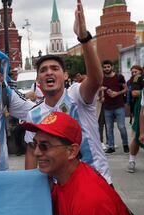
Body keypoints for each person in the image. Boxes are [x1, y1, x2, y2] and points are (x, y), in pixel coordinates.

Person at [25, 0, 112, 185]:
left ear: (65, 75)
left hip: (95, 182)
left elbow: (96, 78)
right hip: (62, 190)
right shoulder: (33, 115)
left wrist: (84, 38)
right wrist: (31, 191)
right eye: (43, 70)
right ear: (38, 81)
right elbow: (32, 154)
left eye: (54, 68)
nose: (49, 72)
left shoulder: (76, 95)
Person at [22, 112, 134, 215]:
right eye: (34, 144)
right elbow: (47, 212)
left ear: (72, 151)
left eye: (44, 146)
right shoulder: (65, 176)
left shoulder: (89, 202)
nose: (36, 153)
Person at [102, 59, 129, 154]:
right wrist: (100, 94)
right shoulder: (101, 78)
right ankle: (111, 146)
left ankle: (125, 145)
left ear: (112, 67)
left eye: (108, 67)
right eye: (104, 67)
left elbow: (126, 89)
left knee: (121, 127)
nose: (106, 69)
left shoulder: (119, 77)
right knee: (109, 128)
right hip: (107, 107)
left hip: (119, 106)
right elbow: (98, 91)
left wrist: (117, 93)